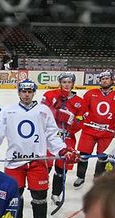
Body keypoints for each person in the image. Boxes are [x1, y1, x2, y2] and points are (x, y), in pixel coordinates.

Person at [0, 79, 80, 218]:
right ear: (19, 93)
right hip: (14, 162)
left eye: (29, 91)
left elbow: (52, 134)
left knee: (40, 194)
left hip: (38, 161)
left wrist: (63, 149)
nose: (26, 94)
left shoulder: (43, 110)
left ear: (34, 92)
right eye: (23, 91)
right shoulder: (8, 111)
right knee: (14, 194)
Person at [74, 71, 115, 188]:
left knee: (103, 156)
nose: (105, 81)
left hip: (107, 132)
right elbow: (82, 110)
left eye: (107, 78)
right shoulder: (90, 94)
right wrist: (79, 118)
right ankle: (80, 176)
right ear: (99, 81)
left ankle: (98, 177)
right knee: (84, 155)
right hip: (89, 130)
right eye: (102, 79)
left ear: (111, 80)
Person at [41, 72, 84, 205]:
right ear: (60, 83)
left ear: (73, 84)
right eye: (64, 82)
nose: (66, 84)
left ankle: (56, 194)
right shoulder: (49, 95)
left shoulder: (79, 102)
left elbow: (80, 123)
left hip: (67, 138)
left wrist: (71, 121)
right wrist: (54, 111)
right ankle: (40, 192)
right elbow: (41, 113)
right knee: (44, 166)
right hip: (49, 137)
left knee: (62, 168)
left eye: (69, 82)